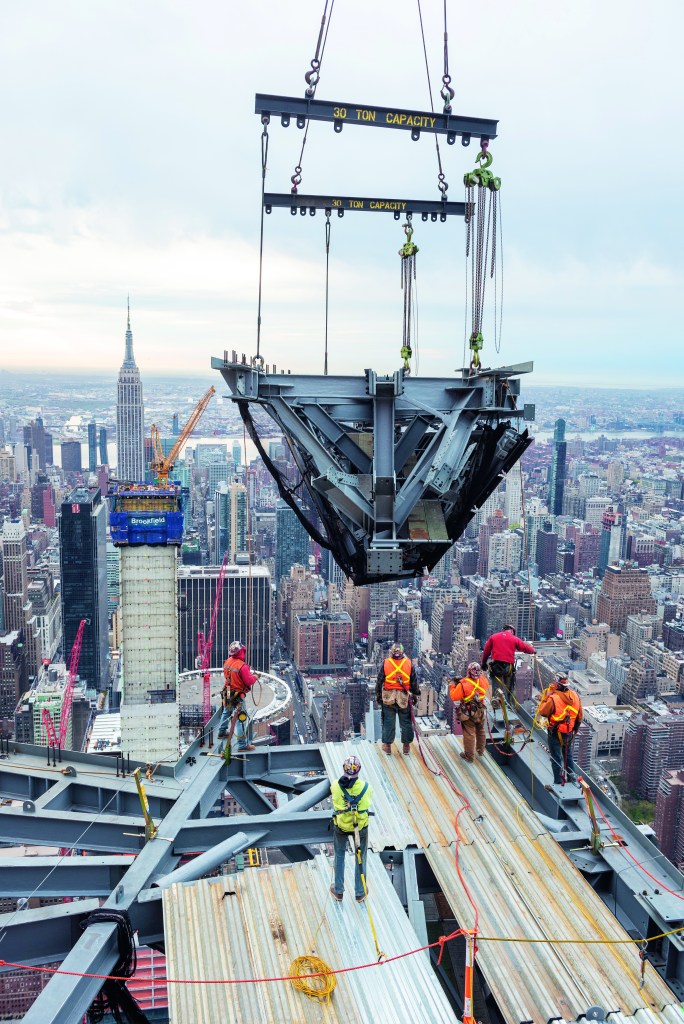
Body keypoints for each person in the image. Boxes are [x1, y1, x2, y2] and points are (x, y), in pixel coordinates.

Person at [329, 755, 373, 903]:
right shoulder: (366, 787)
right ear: (359, 770)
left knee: (339, 855)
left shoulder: (335, 785)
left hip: (341, 825)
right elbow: (367, 804)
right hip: (359, 826)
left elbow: (335, 801)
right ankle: (360, 892)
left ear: (344, 768)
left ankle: (338, 891)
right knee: (360, 857)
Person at [538, 675, 583, 787]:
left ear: (558, 685)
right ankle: (572, 780)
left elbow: (543, 712)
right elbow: (580, 716)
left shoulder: (554, 698)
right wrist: (575, 730)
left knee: (556, 758)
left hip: (555, 733)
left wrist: (545, 697)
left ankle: (558, 783)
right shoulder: (575, 695)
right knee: (568, 756)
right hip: (568, 733)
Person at [375, 642, 420, 755]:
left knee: (388, 721)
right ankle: (406, 746)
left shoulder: (386, 663)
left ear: (391, 652)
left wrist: (378, 696)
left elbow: (379, 681)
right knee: (405, 721)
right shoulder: (409, 663)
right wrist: (415, 695)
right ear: (402, 652)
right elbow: (414, 682)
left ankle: (387, 746)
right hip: (403, 697)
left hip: (388, 697)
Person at [217, 640, 259, 751]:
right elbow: (249, 681)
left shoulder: (227, 661)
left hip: (228, 692)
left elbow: (230, 676)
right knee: (241, 719)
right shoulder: (242, 666)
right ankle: (242, 745)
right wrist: (256, 677)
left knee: (226, 712)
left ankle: (221, 732)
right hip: (237, 695)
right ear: (241, 652)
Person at [449, 662, 490, 763]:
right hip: (480, 710)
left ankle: (469, 756)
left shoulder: (463, 683)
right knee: (480, 730)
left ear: (468, 671)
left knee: (469, 733)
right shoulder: (484, 680)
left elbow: (454, 697)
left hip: (468, 712)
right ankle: (480, 751)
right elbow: (484, 686)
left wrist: (453, 685)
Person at [481, 624, 535, 702]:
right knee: (509, 688)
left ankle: (496, 705)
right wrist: (533, 650)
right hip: (508, 668)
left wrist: (483, 663)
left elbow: (486, 651)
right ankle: (508, 704)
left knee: (497, 689)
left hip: (496, 666)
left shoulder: (493, 637)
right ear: (512, 631)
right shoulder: (514, 638)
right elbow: (524, 647)